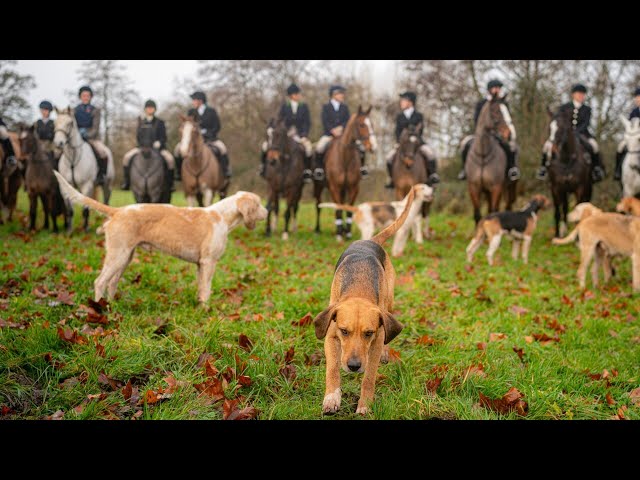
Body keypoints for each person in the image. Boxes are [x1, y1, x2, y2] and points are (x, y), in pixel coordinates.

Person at [537, 83, 606, 183]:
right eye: (579, 94)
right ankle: (543, 169)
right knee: (546, 146)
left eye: (583, 94)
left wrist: (576, 132)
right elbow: (559, 120)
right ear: (573, 95)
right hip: (564, 134)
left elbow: (586, 124)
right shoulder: (565, 107)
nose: (581, 96)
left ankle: (596, 169)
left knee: (594, 146)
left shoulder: (587, 109)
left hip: (583, 133)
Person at [458, 79, 520, 182]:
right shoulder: (482, 103)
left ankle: (511, 169)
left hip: (497, 133)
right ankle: (464, 169)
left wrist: (501, 131)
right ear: (489, 90)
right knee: (465, 144)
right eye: (495, 88)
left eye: (499, 88)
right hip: (481, 133)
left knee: (511, 147)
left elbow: (506, 119)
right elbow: (476, 119)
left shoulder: (503, 103)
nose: (497, 90)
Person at [384, 91, 440, 189]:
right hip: (402, 144)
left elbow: (421, 130)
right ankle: (391, 179)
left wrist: (415, 139)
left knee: (430, 154)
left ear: (410, 102)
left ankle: (432, 175)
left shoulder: (418, 116)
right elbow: (397, 131)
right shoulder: (399, 117)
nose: (401, 102)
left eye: (403, 100)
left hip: (417, 143)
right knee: (389, 157)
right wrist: (399, 142)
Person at [260, 83, 313, 183]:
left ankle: (307, 171)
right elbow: (279, 120)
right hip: (285, 134)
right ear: (292, 95)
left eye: (299, 94)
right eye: (297, 94)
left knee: (308, 148)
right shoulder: (284, 106)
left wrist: (305, 135)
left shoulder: (304, 106)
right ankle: (263, 168)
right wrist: (275, 129)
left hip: (299, 134)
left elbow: (307, 122)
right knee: (265, 146)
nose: (299, 95)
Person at [121, 100, 175, 192]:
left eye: (151, 108)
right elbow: (138, 136)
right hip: (142, 148)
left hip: (158, 149)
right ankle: (127, 182)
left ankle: (170, 184)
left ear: (155, 109)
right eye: (148, 108)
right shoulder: (141, 122)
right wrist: (142, 144)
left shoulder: (160, 122)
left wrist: (159, 143)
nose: (150, 109)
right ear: (145, 109)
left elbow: (164, 137)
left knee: (170, 160)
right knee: (126, 158)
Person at [180, 90, 231, 180]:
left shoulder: (211, 111)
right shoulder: (191, 112)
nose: (193, 102)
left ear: (200, 100)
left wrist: (207, 133)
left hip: (210, 139)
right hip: (193, 141)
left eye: (194, 100)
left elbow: (217, 126)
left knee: (223, 149)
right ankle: (180, 174)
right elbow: (187, 125)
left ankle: (225, 172)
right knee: (178, 151)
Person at [313, 85, 352, 181]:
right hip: (329, 135)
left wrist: (342, 128)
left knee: (357, 146)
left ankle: (360, 168)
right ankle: (319, 169)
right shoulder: (326, 107)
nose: (343, 95)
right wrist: (332, 130)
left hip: (343, 135)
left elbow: (347, 120)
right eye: (340, 93)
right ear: (334, 95)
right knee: (319, 147)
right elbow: (325, 121)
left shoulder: (345, 107)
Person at [75, 86, 109, 185]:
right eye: (83, 95)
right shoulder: (75, 110)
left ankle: (101, 175)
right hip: (77, 139)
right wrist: (78, 134)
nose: (85, 97)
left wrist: (86, 134)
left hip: (92, 138)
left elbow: (95, 128)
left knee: (103, 153)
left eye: (87, 96)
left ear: (91, 97)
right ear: (80, 97)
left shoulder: (95, 110)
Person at [614, 87, 640, 180]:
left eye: (639, 97)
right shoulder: (634, 111)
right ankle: (618, 171)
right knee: (620, 147)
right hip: (633, 138)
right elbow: (629, 125)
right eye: (636, 97)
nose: (637, 99)